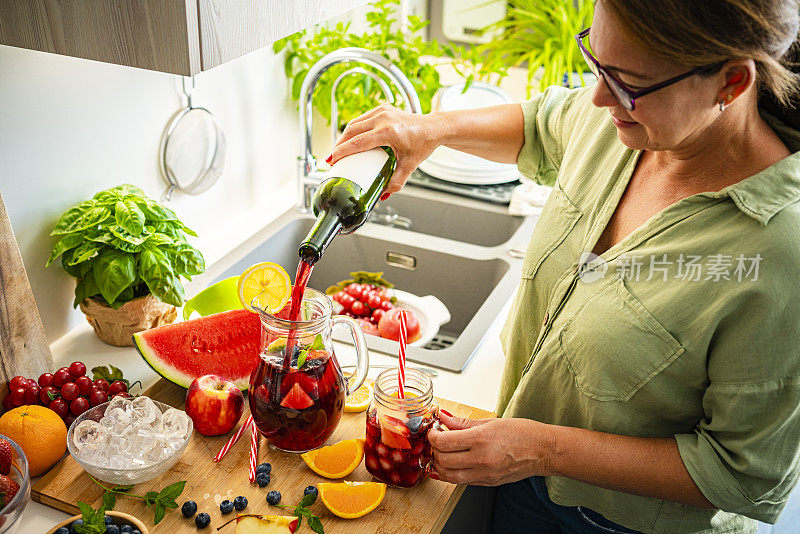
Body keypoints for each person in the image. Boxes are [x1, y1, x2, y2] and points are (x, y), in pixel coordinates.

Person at [326, 0, 800, 532]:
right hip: (518, 475)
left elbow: (741, 475)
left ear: (730, 83)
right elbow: (540, 124)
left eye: (627, 83)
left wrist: (543, 448)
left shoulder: (780, 250)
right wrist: (430, 130)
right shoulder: (620, 118)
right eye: (597, 62)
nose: (598, 96)